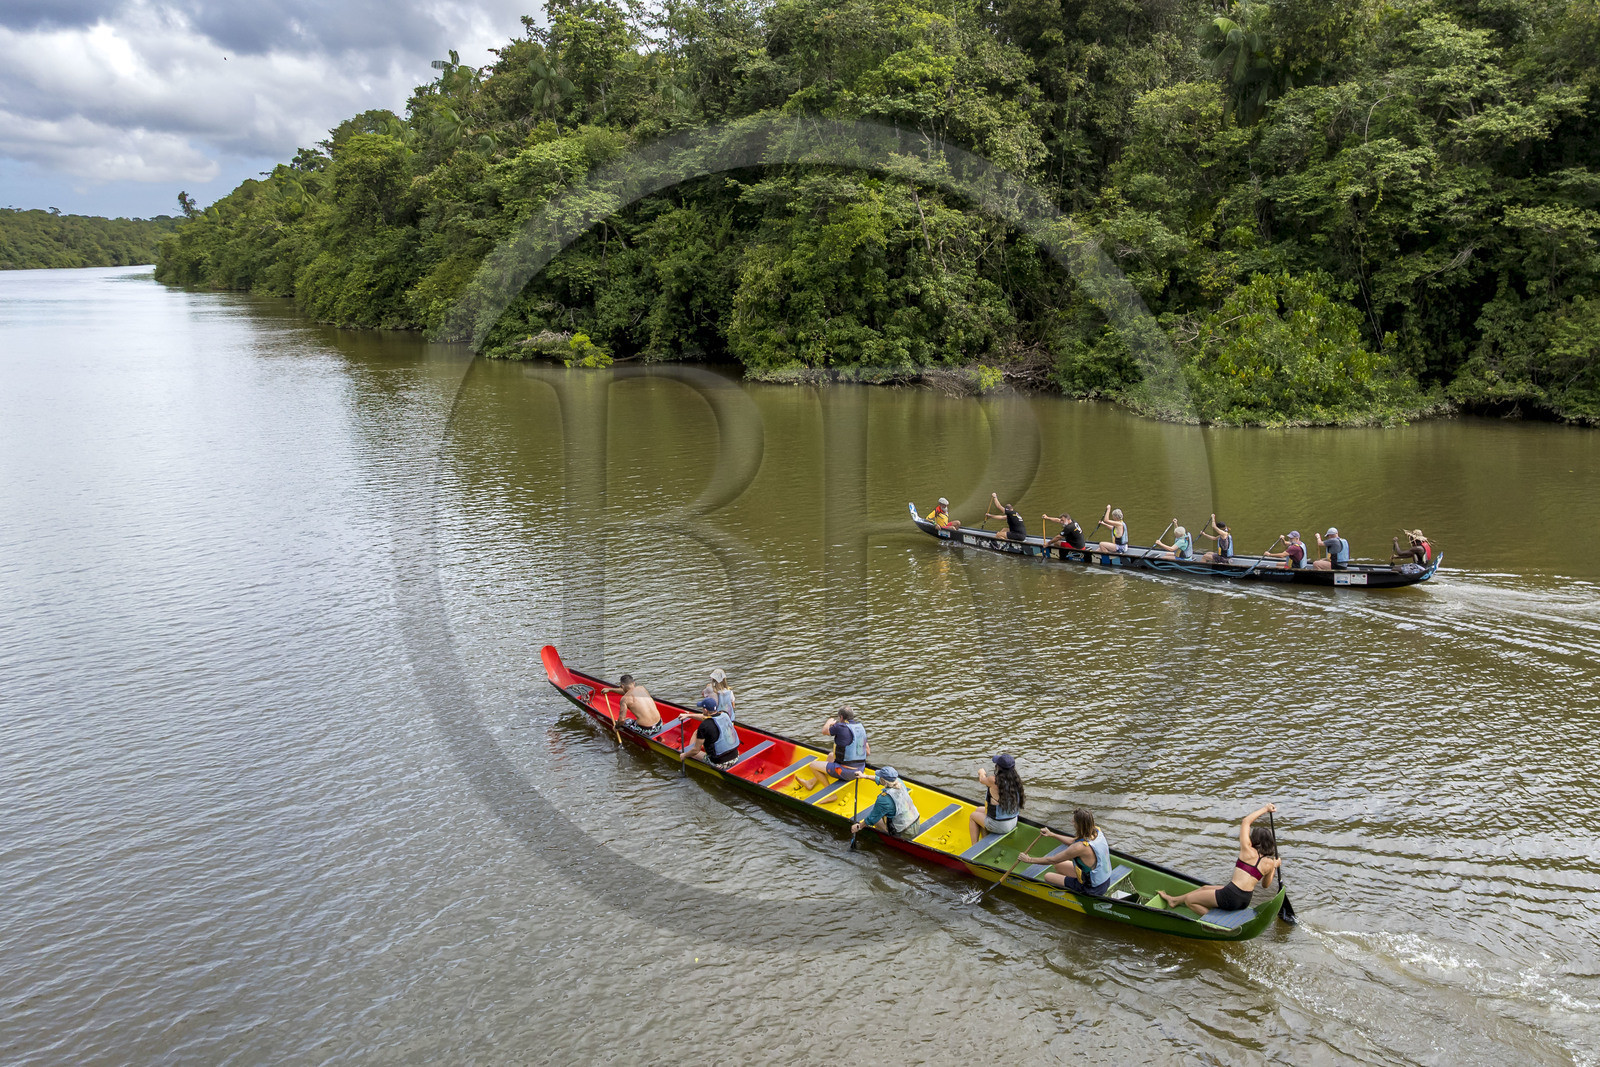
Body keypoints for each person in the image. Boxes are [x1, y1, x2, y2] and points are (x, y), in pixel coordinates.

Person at [1158, 804, 1282, 916]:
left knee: (1190, 901)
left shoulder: (1247, 849)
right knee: (1205, 888)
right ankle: (1174, 901)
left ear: (1254, 839)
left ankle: (1212, 924)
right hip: (1245, 899)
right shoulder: (1270, 863)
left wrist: (1265, 809)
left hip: (1231, 896)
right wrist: (1274, 866)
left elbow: (1246, 822)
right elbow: (1266, 885)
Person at [1017, 809, 1114, 894]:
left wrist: (1029, 860)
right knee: (1059, 866)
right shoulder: (1096, 832)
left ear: (1079, 825)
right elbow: (1073, 841)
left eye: (1074, 821)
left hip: (1092, 888)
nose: (1072, 822)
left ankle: (1071, 893)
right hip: (1104, 881)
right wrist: (1052, 834)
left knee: (1048, 876)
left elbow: (1052, 860)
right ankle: (1068, 882)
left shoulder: (1079, 848)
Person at [790, 706, 870, 790]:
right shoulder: (860, 728)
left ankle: (830, 794)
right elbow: (867, 752)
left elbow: (824, 731)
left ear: (841, 717)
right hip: (861, 769)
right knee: (831, 756)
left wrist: (829, 722)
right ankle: (811, 782)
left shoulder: (840, 727)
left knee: (813, 765)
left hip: (847, 772)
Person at [967, 752, 1024, 845]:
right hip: (1013, 821)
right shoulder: (1016, 780)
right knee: (978, 809)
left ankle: (974, 846)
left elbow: (982, 779)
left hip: (1000, 825)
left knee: (973, 816)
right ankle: (985, 840)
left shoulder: (994, 780)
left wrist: (981, 772)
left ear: (999, 767)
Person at [851, 766, 923, 839]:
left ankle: (889, 836)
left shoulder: (884, 799)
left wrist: (858, 826)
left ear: (884, 781)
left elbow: (872, 819)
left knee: (877, 820)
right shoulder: (899, 781)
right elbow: (880, 780)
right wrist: (864, 776)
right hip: (916, 825)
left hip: (904, 832)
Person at [597, 674, 665, 736]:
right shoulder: (642, 688)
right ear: (633, 683)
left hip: (647, 730)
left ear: (622, 686)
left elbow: (621, 720)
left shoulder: (624, 699)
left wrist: (616, 727)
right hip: (659, 725)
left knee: (625, 721)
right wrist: (610, 690)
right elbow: (628, 692)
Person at [683, 701, 742, 767]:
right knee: (701, 734)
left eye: (702, 708)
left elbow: (696, 751)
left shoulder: (704, 726)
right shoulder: (725, 715)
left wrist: (684, 755)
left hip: (719, 764)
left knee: (694, 750)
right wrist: (689, 715)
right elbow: (705, 717)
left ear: (705, 710)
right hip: (736, 757)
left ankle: (689, 751)